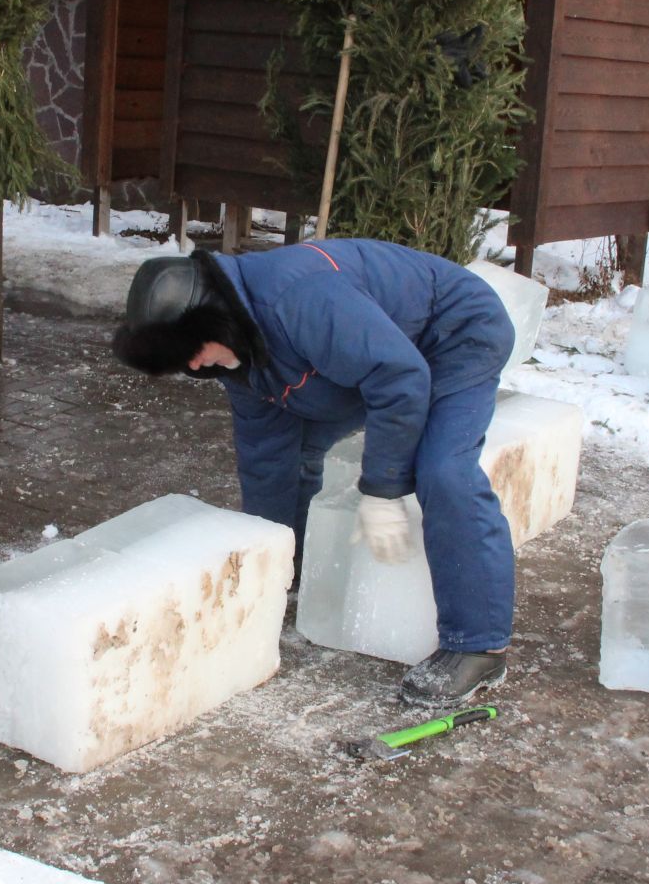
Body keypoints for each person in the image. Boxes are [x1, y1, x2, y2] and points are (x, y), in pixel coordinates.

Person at [111, 238, 516, 709]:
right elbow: (267, 457)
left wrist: (383, 490)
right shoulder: (237, 349)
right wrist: (273, 561)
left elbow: (399, 378)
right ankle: (300, 562)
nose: (195, 365)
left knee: (442, 470)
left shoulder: (300, 299)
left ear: (211, 318)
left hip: (454, 334)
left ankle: (479, 646)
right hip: (380, 354)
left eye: (193, 350)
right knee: (297, 447)